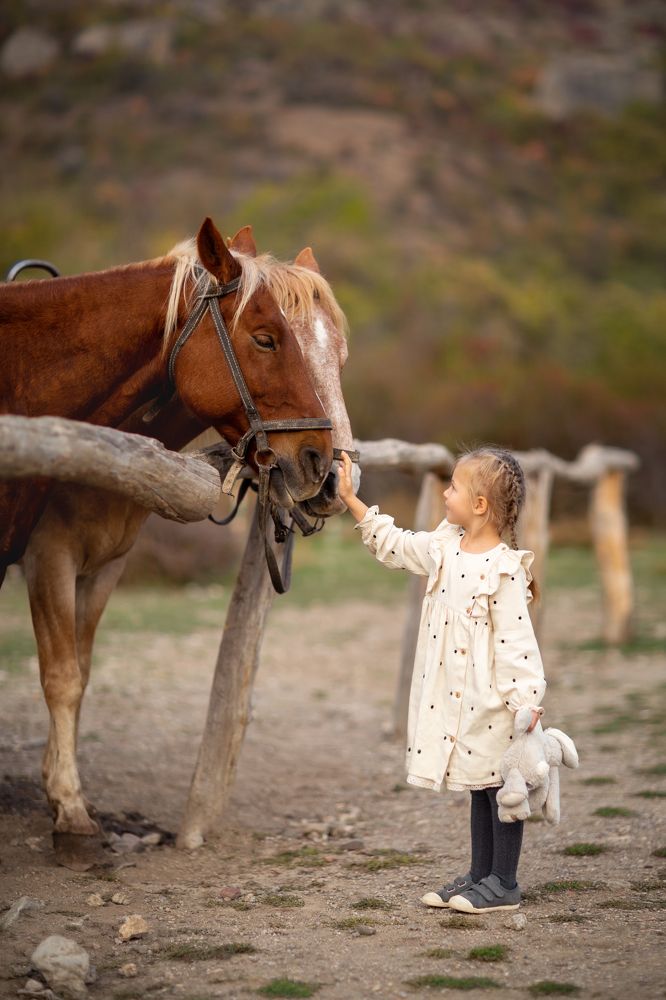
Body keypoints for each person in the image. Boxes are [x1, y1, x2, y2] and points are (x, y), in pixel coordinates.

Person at [337, 446, 546, 914]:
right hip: (455, 700)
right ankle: (480, 875)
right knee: (480, 786)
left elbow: (517, 641)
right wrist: (351, 497)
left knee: (501, 787)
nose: (445, 492)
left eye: (453, 486)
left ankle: (505, 883)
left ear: (479, 505)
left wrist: (526, 702)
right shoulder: (443, 545)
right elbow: (395, 545)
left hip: (493, 702)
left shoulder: (504, 570)